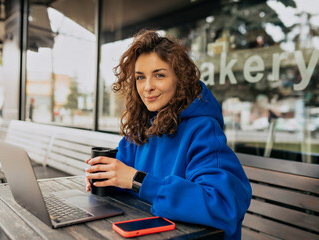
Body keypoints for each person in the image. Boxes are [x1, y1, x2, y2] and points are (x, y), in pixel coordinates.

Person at [85, 30, 251, 240]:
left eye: (159, 75)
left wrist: (137, 180)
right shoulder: (141, 126)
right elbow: (123, 177)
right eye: (140, 78)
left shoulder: (203, 130)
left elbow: (222, 205)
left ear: (180, 79)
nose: (147, 87)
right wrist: (104, 176)